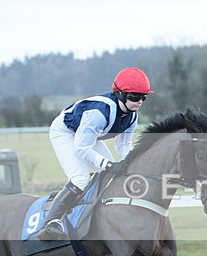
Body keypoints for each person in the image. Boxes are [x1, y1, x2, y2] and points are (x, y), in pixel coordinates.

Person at [38, 67, 153, 240]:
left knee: (110, 176)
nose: (139, 102)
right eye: (134, 96)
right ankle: (51, 223)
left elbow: (124, 147)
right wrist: (108, 164)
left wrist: (131, 166)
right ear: (120, 94)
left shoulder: (132, 117)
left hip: (90, 135)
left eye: (143, 97)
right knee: (81, 179)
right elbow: (81, 149)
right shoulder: (98, 113)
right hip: (66, 132)